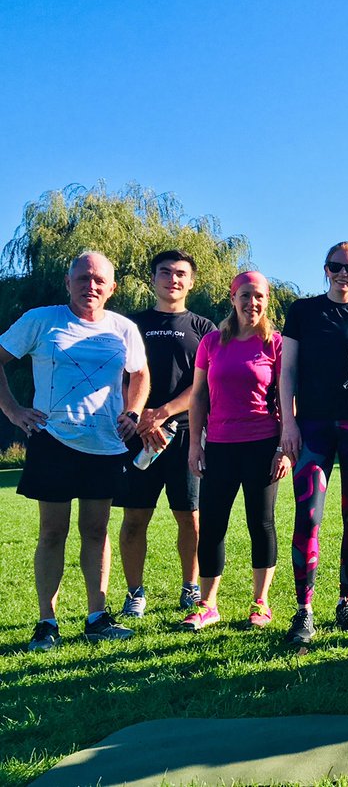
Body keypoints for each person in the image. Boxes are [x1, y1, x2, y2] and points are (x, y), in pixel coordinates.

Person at [0, 251, 148, 649]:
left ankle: (97, 617)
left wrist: (133, 411)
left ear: (112, 288)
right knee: (52, 532)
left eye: (99, 280)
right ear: (68, 283)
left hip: (105, 445)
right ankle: (46, 622)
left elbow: (140, 373)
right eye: (83, 278)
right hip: (53, 442)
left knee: (96, 531)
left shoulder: (123, 328)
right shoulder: (41, 320)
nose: (91, 286)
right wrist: (13, 411)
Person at [184, 271, 290, 630]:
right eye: (245, 295)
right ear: (233, 299)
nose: (252, 303)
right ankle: (207, 604)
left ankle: (260, 602)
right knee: (213, 524)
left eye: (259, 296)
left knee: (261, 523)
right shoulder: (212, 342)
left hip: (263, 445)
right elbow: (198, 395)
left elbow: (287, 399)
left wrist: (284, 448)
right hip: (218, 446)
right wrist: (195, 444)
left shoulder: (275, 344)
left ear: (267, 300)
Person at [279, 242, 348, 645]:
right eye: (336, 267)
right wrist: (288, 424)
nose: (343, 274)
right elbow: (287, 371)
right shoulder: (303, 311)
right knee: (309, 517)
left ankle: (346, 602)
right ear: (326, 269)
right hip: (313, 428)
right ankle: (304, 610)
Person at [116, 250, 216, 618]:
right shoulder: (131, 324)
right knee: (135, 518)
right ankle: (134, 593)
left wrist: (164, 413)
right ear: (153, 278)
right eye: (165, 272)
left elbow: (206, 384)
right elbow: (121, 377)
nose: (172, 279)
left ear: (191, 282)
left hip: (186, 437)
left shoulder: (204, 328)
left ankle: (191, 588)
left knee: (189, 517)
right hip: (138, 435)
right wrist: (142, 419)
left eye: (180, 274)